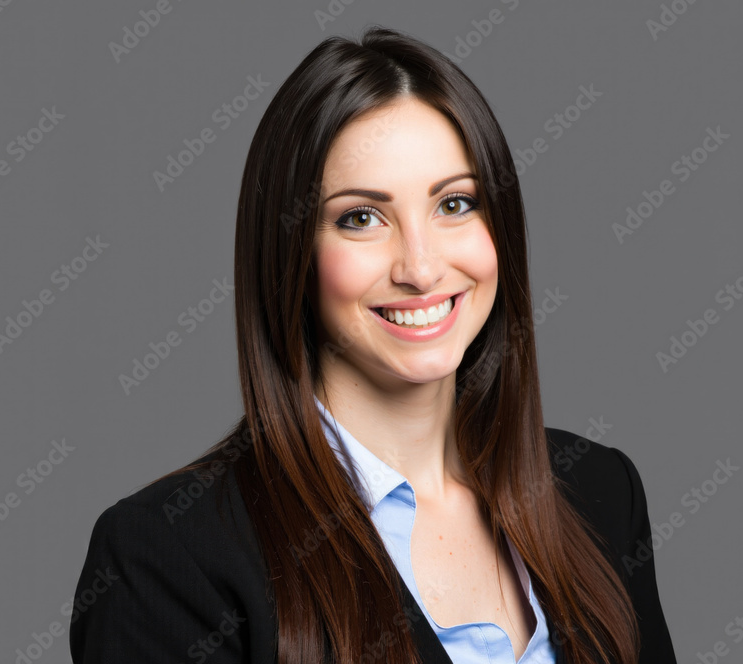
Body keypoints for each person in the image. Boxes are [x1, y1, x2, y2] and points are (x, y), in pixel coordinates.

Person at [69, 25, 677, 664]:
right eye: (361, 217)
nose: (420, 267)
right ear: (292, 254)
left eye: (455, 203)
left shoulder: (600, 491)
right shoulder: (167, 554)